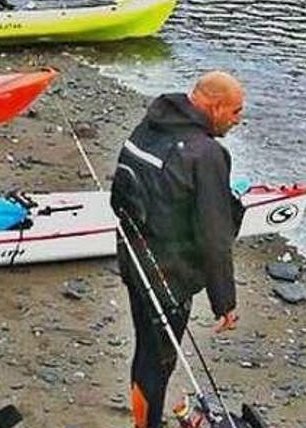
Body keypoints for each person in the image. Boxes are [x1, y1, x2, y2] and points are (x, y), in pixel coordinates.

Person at [109, 71, 246, 428]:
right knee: (160, 361)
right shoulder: (208, 153)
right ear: (215, 106)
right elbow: (215, 234)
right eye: (234, 112)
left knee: (145, 352)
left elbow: (120, 194)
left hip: (135, 260)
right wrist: (224, 301)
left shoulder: (150, 124)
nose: (237, 120)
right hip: (170, 275)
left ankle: (144, 423)